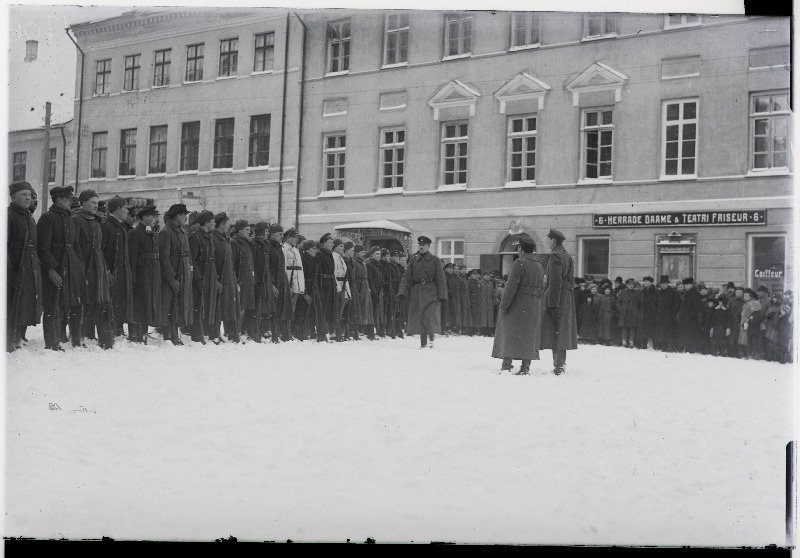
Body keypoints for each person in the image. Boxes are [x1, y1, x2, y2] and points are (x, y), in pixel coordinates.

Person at [491, 235, 543, 375]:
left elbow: (511, 287)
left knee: (509, 333)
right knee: (528, 335)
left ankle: (506, 365)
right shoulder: (539, 265)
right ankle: (526, 366)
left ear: (520, 248)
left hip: (517, 304)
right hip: (533, 305)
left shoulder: (519, 263)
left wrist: (504, 305)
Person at [73, 189, 113, 349]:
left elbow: (100, 248)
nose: (96, 206)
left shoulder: (96, 222)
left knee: (100, 302)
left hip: (98, 267)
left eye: (97, 203)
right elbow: (76, 248)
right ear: (83, 203)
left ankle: (105, 340)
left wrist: (104, 270)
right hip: (84, 267)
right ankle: (78, 339)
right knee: (81, 304)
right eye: (92, 203)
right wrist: (81, 270)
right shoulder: (76, 220)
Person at [7, 181, 42, 351]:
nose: (28, 198)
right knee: (10, 304)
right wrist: (9, 271)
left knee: (22, 303)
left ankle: (16, 338)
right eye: (24, 195)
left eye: (29, 195)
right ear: (13, 197)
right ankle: (7, 341)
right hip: (14, 267)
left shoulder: (28, 216)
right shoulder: (8, 216)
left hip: (29, 266)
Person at [539, 228, 578, 375]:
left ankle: (558, 366)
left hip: (557, 298)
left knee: (554, 332)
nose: (547, 242)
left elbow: (555, 282)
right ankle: (560, 364)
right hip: (566, 297)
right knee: (561, 332)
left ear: (554, 240)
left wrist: (553, 305)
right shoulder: (567, 255)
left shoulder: (555, 256)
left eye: (548, 240)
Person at [398, 235, 448, 349]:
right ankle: (423, 343)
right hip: (418, 292)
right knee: (420, 317)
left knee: (429, 316)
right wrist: (402, 291)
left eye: (423, 245)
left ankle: (431, 339)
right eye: (420, 245)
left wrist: (443, 295)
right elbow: (407, 277)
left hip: (431, 292)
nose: (421, 247)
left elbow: (441, 278)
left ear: (428, 246)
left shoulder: (435, 260)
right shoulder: (413, 260)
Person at [158, 203, 193, 345]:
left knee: (177, 305)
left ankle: (174, 335)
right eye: (185, 215)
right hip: (170, 277)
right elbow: (163, 258)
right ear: (178, 216)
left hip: (182, 275)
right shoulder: (166, 232)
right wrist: (171, 279)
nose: (186, 218)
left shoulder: (181, 232)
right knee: (169, 306)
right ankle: (168, 336)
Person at [127, 205, 161, 343]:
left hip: (150, 274)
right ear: (145, 217)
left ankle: (143, 333)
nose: (155, 219)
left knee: (147, 303)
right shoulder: (135, 233)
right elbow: (132, 258)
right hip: (140, 275)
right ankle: (136, 335)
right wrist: (133, 279)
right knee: (139, 305)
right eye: (153, 216)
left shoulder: (149, 233)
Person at [101, 196, 133, 339]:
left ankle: (118, 328)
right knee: (110, 301)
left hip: (121, 271)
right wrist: (107, 271)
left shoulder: (121, 225)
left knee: (120, 299)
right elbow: (101, 250)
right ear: (118, 209)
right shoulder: (107, 225)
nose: (127, 211)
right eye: (125, 208)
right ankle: (110, 329)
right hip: (112, 272)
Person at [188, 210, 219, 344]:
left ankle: (205, 334)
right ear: (206, 223)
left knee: (204, 306)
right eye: (213, 221)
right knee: (197, 307)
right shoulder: (195, 237)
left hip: (208, 277)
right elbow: (192, 260)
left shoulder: (208, 237)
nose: (214, 224)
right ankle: (197, 336)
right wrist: (198, 279)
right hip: (199, 279)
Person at [210, 212, 240, 344]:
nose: (229, 226)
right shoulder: (213, 238)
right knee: (216, 308)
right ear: (221, 224)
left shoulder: (225, 239)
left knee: (230, 307)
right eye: (227, 223)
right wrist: (215, 281)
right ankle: (215, 334)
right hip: (219, 280)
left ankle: (233, 334)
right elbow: (212, 262)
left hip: (229, 279)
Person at [231, 220, 257, 342]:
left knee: (248, 308)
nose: (249, 232)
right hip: (240, 281)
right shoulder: (234, 243)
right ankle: (235, 333)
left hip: (248, 281)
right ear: (239, 230)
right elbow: (232, 264)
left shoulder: (246, 244)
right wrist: (235, 281)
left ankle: (244, 332)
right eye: (246, 229)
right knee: (239, 309)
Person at [314, 233, 337, 342]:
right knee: (322, 310)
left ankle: (328, 333)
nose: (332, 244)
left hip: (330, 284)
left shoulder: (329, 254)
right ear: (323, 243)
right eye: (330, 242)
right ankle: (321, 335)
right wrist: (319, 286)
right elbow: (317, 272)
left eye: (333, 242)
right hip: (323, 285)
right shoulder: (320, 254)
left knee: (329, 310)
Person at [297, 239, 319, 341]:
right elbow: (302, 277)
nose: (315, 250)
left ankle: (309, 331)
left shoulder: (313, 259)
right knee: (302, 311)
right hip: (305, 288)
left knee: (311, 311)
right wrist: (304, 292)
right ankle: (301, 333)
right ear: (307, 249)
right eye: (313, 248)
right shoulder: (304, 259)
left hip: (312, 288)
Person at [351, 244, 373, 339]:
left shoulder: (362, 263)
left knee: (363, 310)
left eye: (364, 252)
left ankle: (360, 330)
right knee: (357, 310)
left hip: (364, 288)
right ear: (356, 253)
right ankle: (355, 331)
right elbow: (354, 278)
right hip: (358, 288)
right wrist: (358, 291)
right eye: (362, 252)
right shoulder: (355, 263)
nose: (364, 254)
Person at [676, 277, 703, 353]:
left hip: (691, 320)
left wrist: (691, 316)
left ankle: (690, 350)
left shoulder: (695, 294)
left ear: (691, 284)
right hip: (686, 319)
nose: (685, 287)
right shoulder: (688, 293)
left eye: (687, 285)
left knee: (691, 335)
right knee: (686, 334)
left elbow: (697, 307)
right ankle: (687, 348)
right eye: (685, 285)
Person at [366, 246, 384, 337]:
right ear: (372, 254)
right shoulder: (370, 265)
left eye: (380, 254)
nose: (379, 256)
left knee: (375, 312)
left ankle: (373, 331)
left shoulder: (378, 265)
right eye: (377, 254)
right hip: (372, 293)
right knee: (371, 312)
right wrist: (374, 293)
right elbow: (370, 280)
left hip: (377, 291)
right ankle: (370, 333)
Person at [739, 288, 763, 359]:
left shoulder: (753, 303)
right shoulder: (746, 303)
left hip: (749, 323)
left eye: (746, 296)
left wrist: (747, 320)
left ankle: (750, 353)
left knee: (748, 339)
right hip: (744, 322)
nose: (744, 297)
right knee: (744, 338)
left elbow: (753, 313)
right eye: (744, 296)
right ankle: (746, 353)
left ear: (751, 297)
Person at [616, 278, 640, 348]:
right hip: (625, 314)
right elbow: (618, 302)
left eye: (632, 284)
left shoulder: (636, 293)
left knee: (632, 328)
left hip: (633, 313)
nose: (631, 286)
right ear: (626, 285)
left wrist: (636, 311)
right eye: (629, 284)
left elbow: (639, 303)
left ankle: (631, 341)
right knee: (624, 327)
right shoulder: (623, 293)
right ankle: (624, 341)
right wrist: (621, 309)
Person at [637, 276, 657, 349]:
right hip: (644, 313)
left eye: (647, 281)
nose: (645, 282)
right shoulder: (642, 292)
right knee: (643, 330)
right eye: (644, 281)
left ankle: (655, 345)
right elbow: (638, 303)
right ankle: (643, 345)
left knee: (653, 330)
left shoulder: (656, 291)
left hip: (652, 314)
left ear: (651, 282)